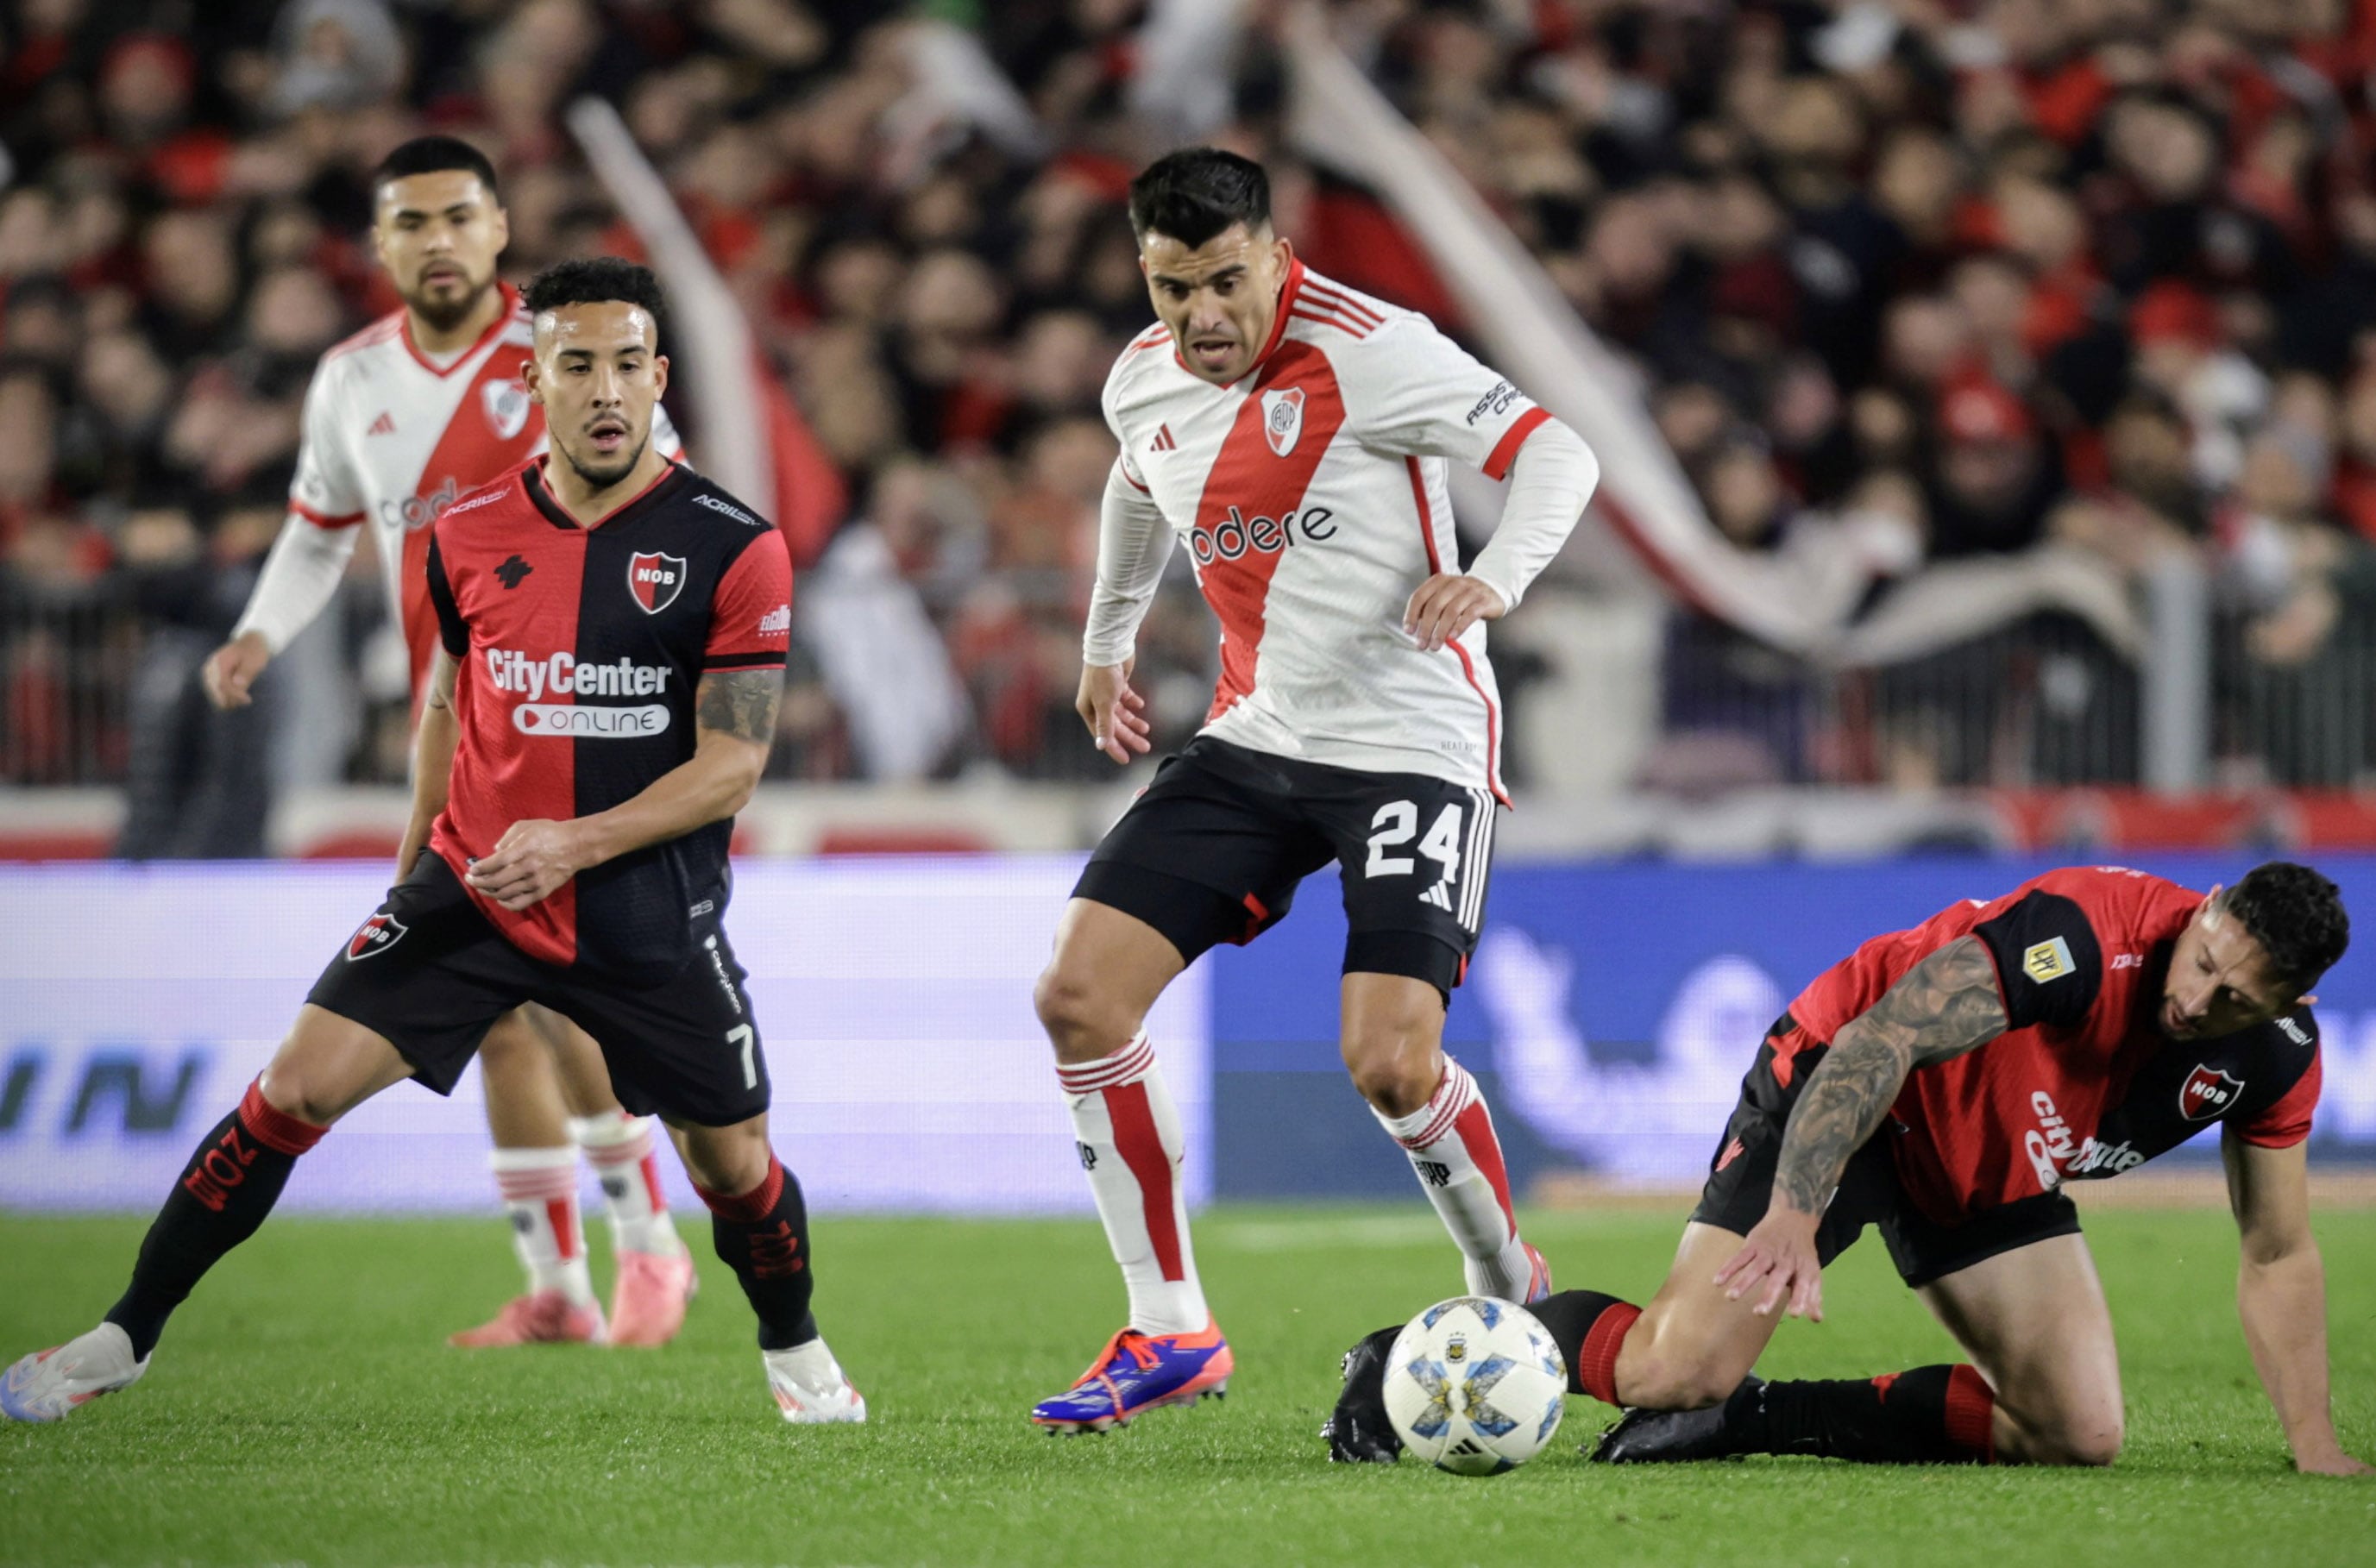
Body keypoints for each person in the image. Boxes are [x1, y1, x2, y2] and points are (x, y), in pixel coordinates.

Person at [2, 259, 864, 1427]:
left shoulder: (731, 544)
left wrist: (570, 842)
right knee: (287, 1090)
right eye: (576, 365)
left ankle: (795, 1347)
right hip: (471, 887)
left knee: (735, 1167)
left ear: (659, 378)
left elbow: (733, 765)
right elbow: (449, 711)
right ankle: (122, 1335)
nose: (605, 389)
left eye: (627, 365)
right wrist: (416, 868)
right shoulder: (465, 533)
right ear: (535, 379)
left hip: (646, 912)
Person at [1028, 148, 1602, 1433]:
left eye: (1227, 281)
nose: (1203, 317)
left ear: (1276, 255)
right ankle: (1170, 1326)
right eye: (1174, 288)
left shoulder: (1376, 348)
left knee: (1390, 1063)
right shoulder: (1142, 381)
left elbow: (1556, 452)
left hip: (1411, 740)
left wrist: (1495, 579)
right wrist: (1104, 644)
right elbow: (1136, 489)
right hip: (1256, 737)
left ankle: (1509, 1282)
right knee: (1076, 995)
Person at [1324, 862, 2370, 1476]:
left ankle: (1759, 1416)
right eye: (2202, 962)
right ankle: (1409, 1356)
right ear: (2208, 909)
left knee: (2076, 1431)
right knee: (1670, 1364)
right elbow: (1881, 1040)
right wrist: (1794, 1210)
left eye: (2237, 997)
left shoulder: (2272, 1063)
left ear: (2292, 1003)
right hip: (1849, 1089)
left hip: (1985, 1165)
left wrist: (2314, 1442)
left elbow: (2277, 1253)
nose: (2198, 1002)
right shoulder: (2085, 938)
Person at [202, 136, 698, 1348]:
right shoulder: (349, 378)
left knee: (554, 980)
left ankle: (647, 1245)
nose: (436, 241)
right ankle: (557, 1285)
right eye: (409, 222)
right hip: (447, 712)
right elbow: (319, 531)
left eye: (458, 217)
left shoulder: (567, 350)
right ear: (377, 246)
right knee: (488, 1007)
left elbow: (662, 487)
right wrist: (261, 634)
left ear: (496, 227)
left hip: (561, 708)